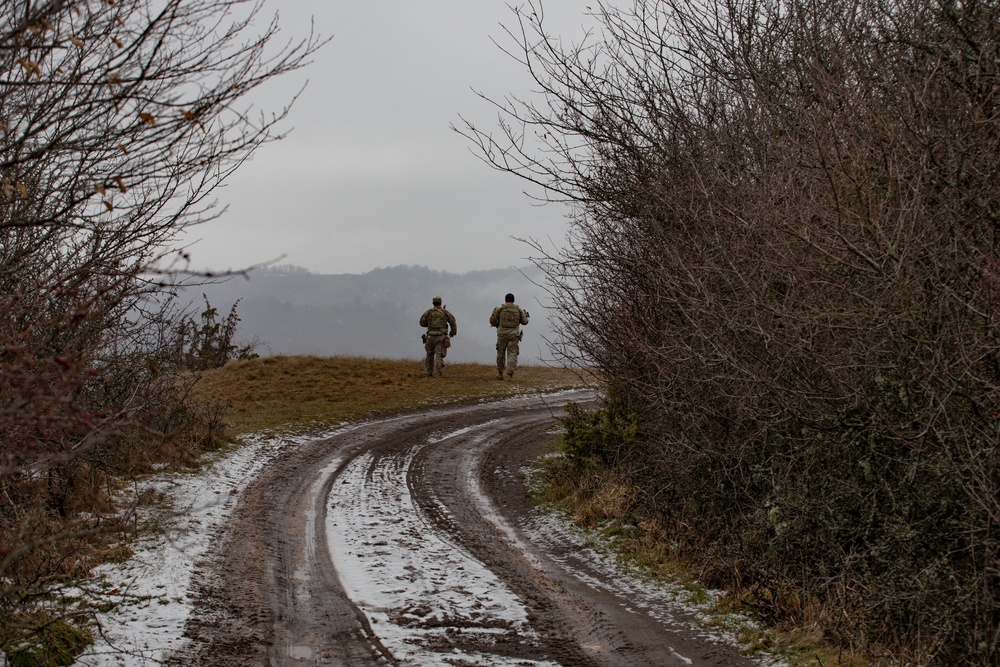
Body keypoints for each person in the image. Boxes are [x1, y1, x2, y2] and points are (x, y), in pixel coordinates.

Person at [489, 292, 529, 380]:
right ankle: (510, 374)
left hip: (502, 334)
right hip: (514, 335)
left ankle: (500, 373)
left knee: (501, 353)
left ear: (505, 300)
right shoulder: (519, 309)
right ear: (513, 300)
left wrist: (498, 323)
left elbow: (492, 321)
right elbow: (525, 322)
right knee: (512, 353)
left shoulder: (499, 309)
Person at [419, 296, 457, 378]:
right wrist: (452, 333)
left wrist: (429, 324)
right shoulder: (445, 312)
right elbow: (453, 322)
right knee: (439, 355)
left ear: (433, 303)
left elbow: (422, 323)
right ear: (441, 303)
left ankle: (429, 372)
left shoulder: (428, 312)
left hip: (430, 336)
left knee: (429, 354)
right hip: (440, 336)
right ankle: (437, 373)